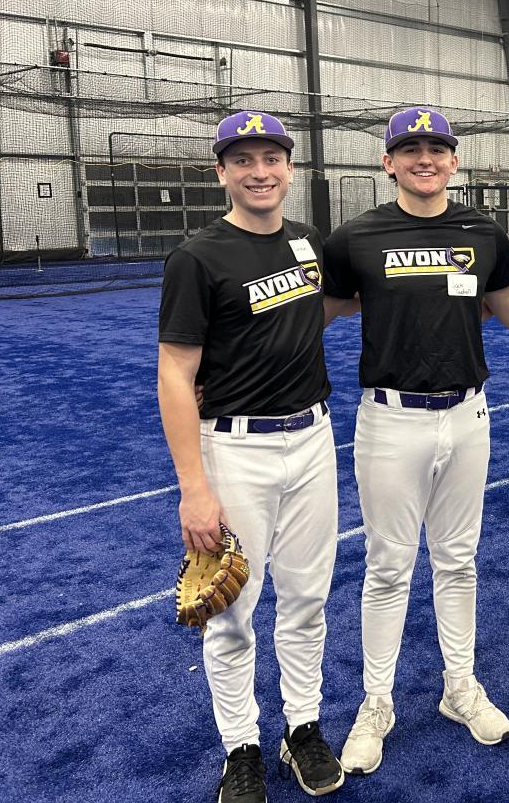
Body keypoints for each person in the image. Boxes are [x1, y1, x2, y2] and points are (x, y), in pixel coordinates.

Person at [322, 108, 509, 771]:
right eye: (409, 148)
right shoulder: (356, 237)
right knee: (388, 567)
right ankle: (376, 704)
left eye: (436, 148)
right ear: (388, 162)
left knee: (457, 561)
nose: (424, 158)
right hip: (390, 420)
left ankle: (460, 688)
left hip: (468, 417)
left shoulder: (482, 232)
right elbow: (314, 317)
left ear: (454, 161)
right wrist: (227, 367)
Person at [158, 111, 344, 802]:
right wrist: (193, 488)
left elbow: (317, 308)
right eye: (243, 160)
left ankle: (303, 727)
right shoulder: (197, 257)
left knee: (307, 598)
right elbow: (175, 373)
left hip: (314, 440)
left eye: (271, 158)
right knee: (232, 611)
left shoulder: (308, 241)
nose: (259, 172)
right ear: (222, 173)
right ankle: (241, 747)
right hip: (235, 450)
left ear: (289, 169)